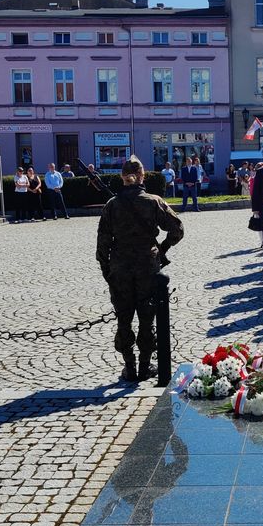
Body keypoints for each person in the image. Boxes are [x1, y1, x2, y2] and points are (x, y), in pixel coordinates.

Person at [96, 156, 184, 381]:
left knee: (123, 318)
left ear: (122, 178)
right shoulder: (153, 201)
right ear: (142, 176)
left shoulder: (112, 205)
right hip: (147, 265)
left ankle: (130, 367)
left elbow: (102, 245)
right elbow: (177, 230)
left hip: (120, 267)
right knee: (147, 317)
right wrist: (161, 249)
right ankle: (145, 366)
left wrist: (108, 272)